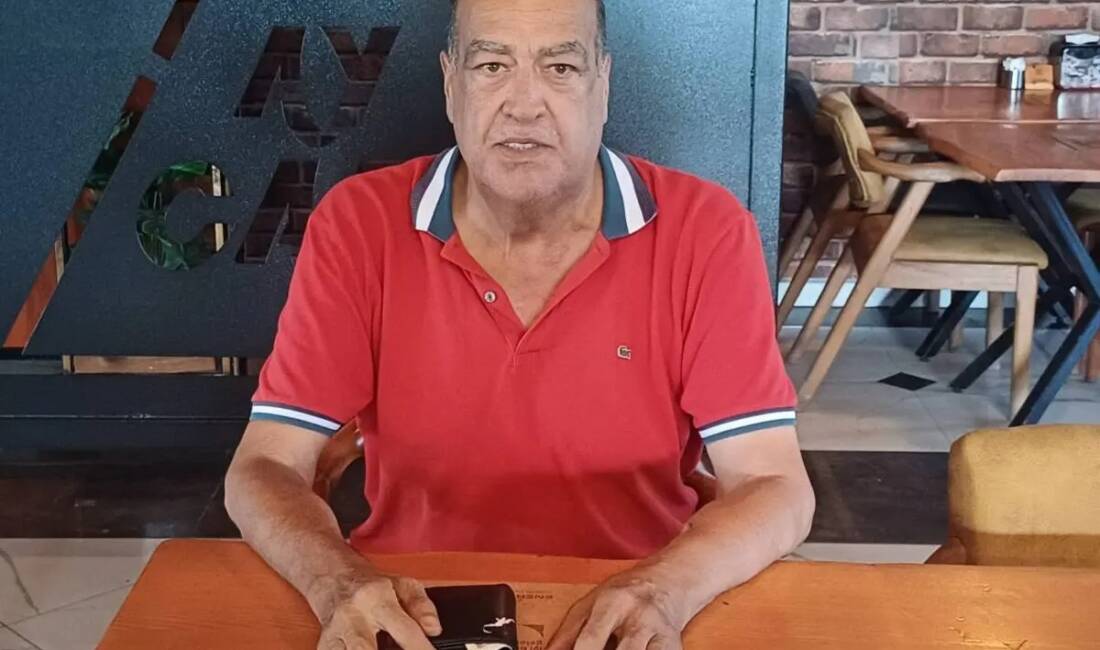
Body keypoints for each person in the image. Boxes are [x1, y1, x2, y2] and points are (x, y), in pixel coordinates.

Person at [224, 0, 814, 648]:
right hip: (416, 608)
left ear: (602, 84)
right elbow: (262, 467)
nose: (524, 105)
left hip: (634, 606)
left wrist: (662, 590)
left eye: (560, 67)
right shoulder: (358, 224)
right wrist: (336, 581)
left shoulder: (706, 231)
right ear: (451, 83)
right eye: (492, 66)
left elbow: (775, 486)